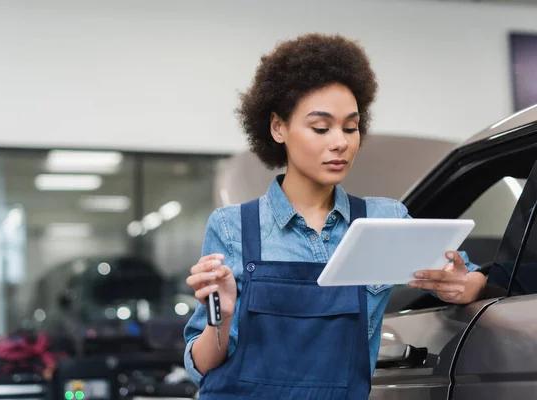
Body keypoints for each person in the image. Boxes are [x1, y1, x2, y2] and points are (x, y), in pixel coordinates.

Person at [183, 33, 487, 399]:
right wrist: (225, 315)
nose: (340, 142)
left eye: (350, 127)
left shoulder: (383, 219)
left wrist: (462, 285)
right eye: (321, 128)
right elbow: (201, 365)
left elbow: (466, 277)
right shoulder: (233, 227)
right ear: (278, 127)